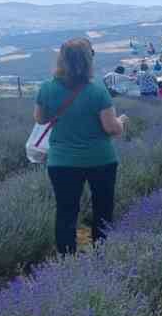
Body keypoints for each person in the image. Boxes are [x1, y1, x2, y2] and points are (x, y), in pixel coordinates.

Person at [34, 37, 128, 255]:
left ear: (61, 60)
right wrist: (122, 123)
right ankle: (101, 254)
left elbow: (40, 119)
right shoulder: (97, 91)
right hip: (100, 160)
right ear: (88, 61)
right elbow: (111, 128)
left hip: (62, 162)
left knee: (66, 212)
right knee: (103, 210)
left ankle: (67, 260)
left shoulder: (47, 88)